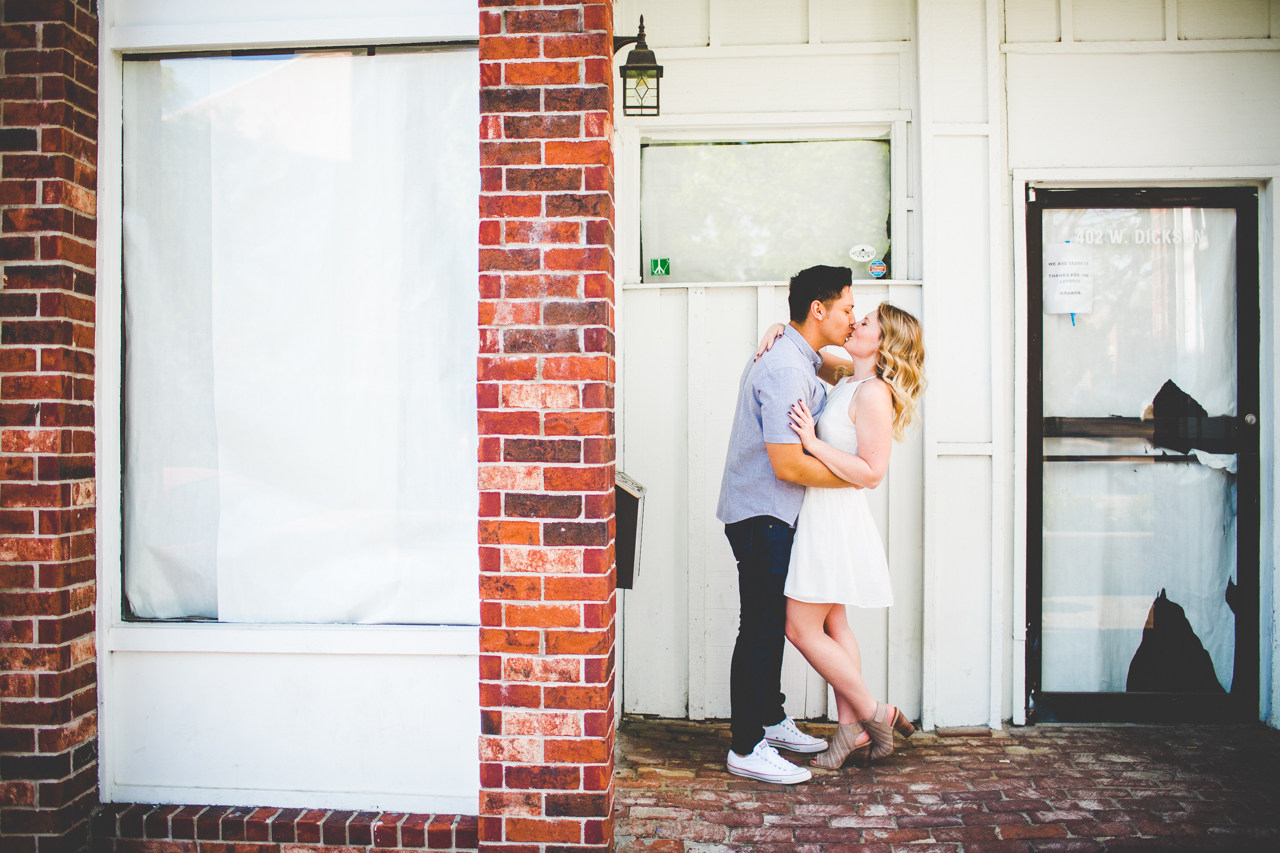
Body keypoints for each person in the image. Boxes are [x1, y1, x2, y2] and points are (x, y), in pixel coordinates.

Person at [757, 301, 927, 770]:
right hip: (820, 513)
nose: (856, 322)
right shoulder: (849, 377)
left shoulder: (873, 393)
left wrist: (812, 444)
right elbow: (813, 354)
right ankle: (850, 730)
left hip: (834, 519)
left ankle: (875, 713)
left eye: (866, 322)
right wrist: (779, 327)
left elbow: (873, 473)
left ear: (884, 341)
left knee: (799, 627)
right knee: (836, 624)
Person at [715, 265, 858, 785]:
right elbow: (788, 464)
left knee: (770, 624)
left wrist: (785, 327)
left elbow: (840, 369)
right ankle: (746, 747)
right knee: (758, 628)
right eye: (846, 308)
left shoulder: (800, 357)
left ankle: (770, 719)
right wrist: (858, 478)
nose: (853, 318)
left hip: (774, 514)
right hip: (763, 515)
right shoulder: (783, 368)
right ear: (818, 309)